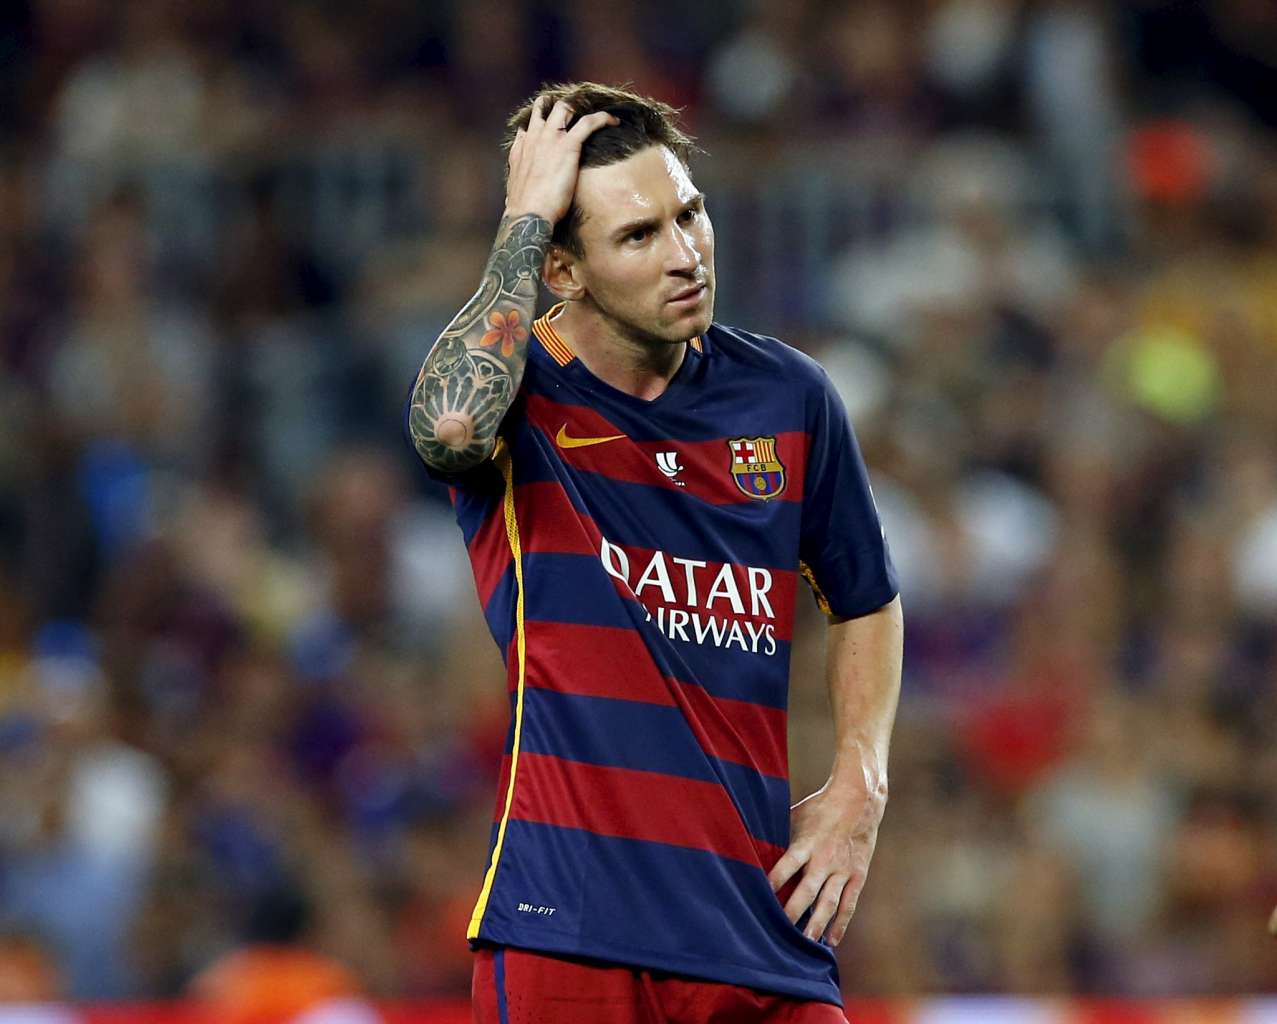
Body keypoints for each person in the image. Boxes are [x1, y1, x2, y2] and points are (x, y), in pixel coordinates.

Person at [406, 82, 903, 1024]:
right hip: (567, 933)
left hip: (758, 932)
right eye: (637, 236)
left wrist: (858, 783)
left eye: (688, 214)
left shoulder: (788, 396)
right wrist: (523, 220)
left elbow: (866, 600)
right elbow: (448, 428)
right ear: (561, 270)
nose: (684, 254)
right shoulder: (522, 396)